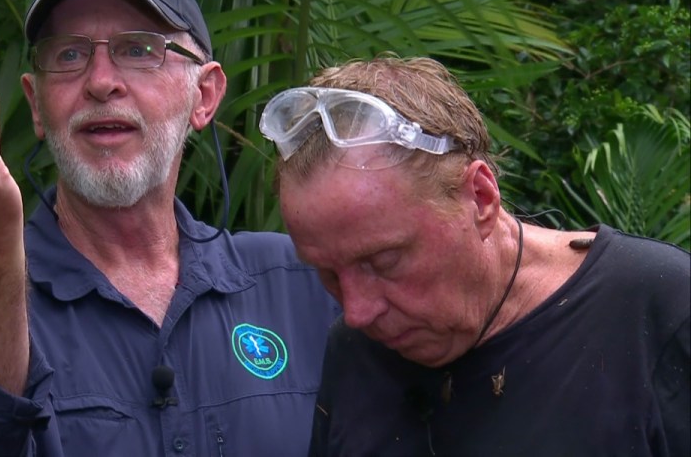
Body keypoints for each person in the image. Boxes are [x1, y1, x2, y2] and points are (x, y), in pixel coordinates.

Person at [0, 0, 339, 456]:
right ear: (36, 103)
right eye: (69, 54)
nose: (100, 83)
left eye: (140, 49)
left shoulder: (304, 279)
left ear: (204, 97)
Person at [259, 56, 691, 456]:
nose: (357, 312)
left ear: (480, 198)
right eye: (328, 273)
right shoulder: (355, 350)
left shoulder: (658, 309)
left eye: (385, 261)